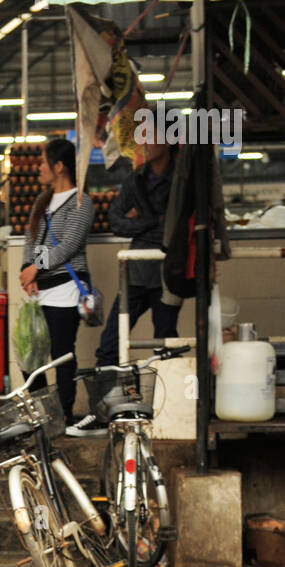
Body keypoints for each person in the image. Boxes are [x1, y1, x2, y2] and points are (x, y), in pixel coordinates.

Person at [67, 140, 179, 437]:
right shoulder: (136, 178)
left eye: (151, 136)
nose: (144, 144)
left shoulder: (181, 178)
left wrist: (143, 223)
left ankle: (172, 413)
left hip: (170, 272)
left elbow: (177, 225)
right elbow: (115, 221)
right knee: (109, 346)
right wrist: (150, 223)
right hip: (137, 271)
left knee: (166, 344)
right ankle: (107, 413)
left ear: (168, 141)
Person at [20, 138, 95, 429]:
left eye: (43, 162)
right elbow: (32, 240)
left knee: (62, 355)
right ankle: (41, 414)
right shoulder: (42, 201)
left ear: (59, 166)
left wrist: (34, 269)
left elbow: (68, 246)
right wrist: (28, 272)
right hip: (40, 290)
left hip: (67, 289)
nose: (39, 168)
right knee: (32, 354)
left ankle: (63, 413)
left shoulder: (81, 202)